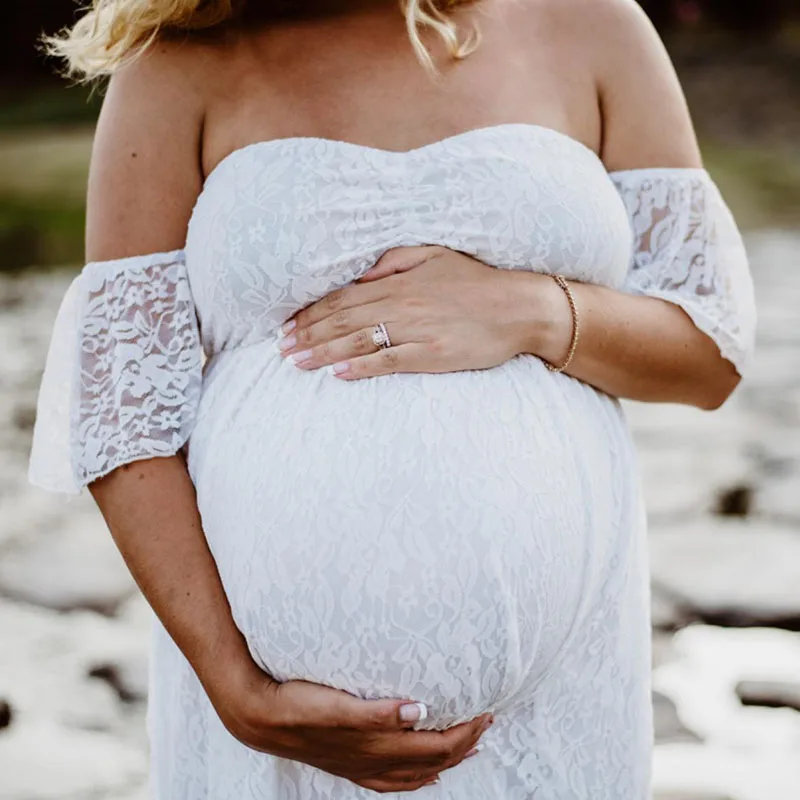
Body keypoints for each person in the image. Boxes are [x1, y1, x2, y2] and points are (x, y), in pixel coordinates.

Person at [31, 0, 756, 796]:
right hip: (274, 732)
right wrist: (236, 690)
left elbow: (709, 353)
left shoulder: (591, 22)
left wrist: (535, 311)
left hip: (550, 714)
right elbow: (123, 410)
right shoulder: (179, 58)